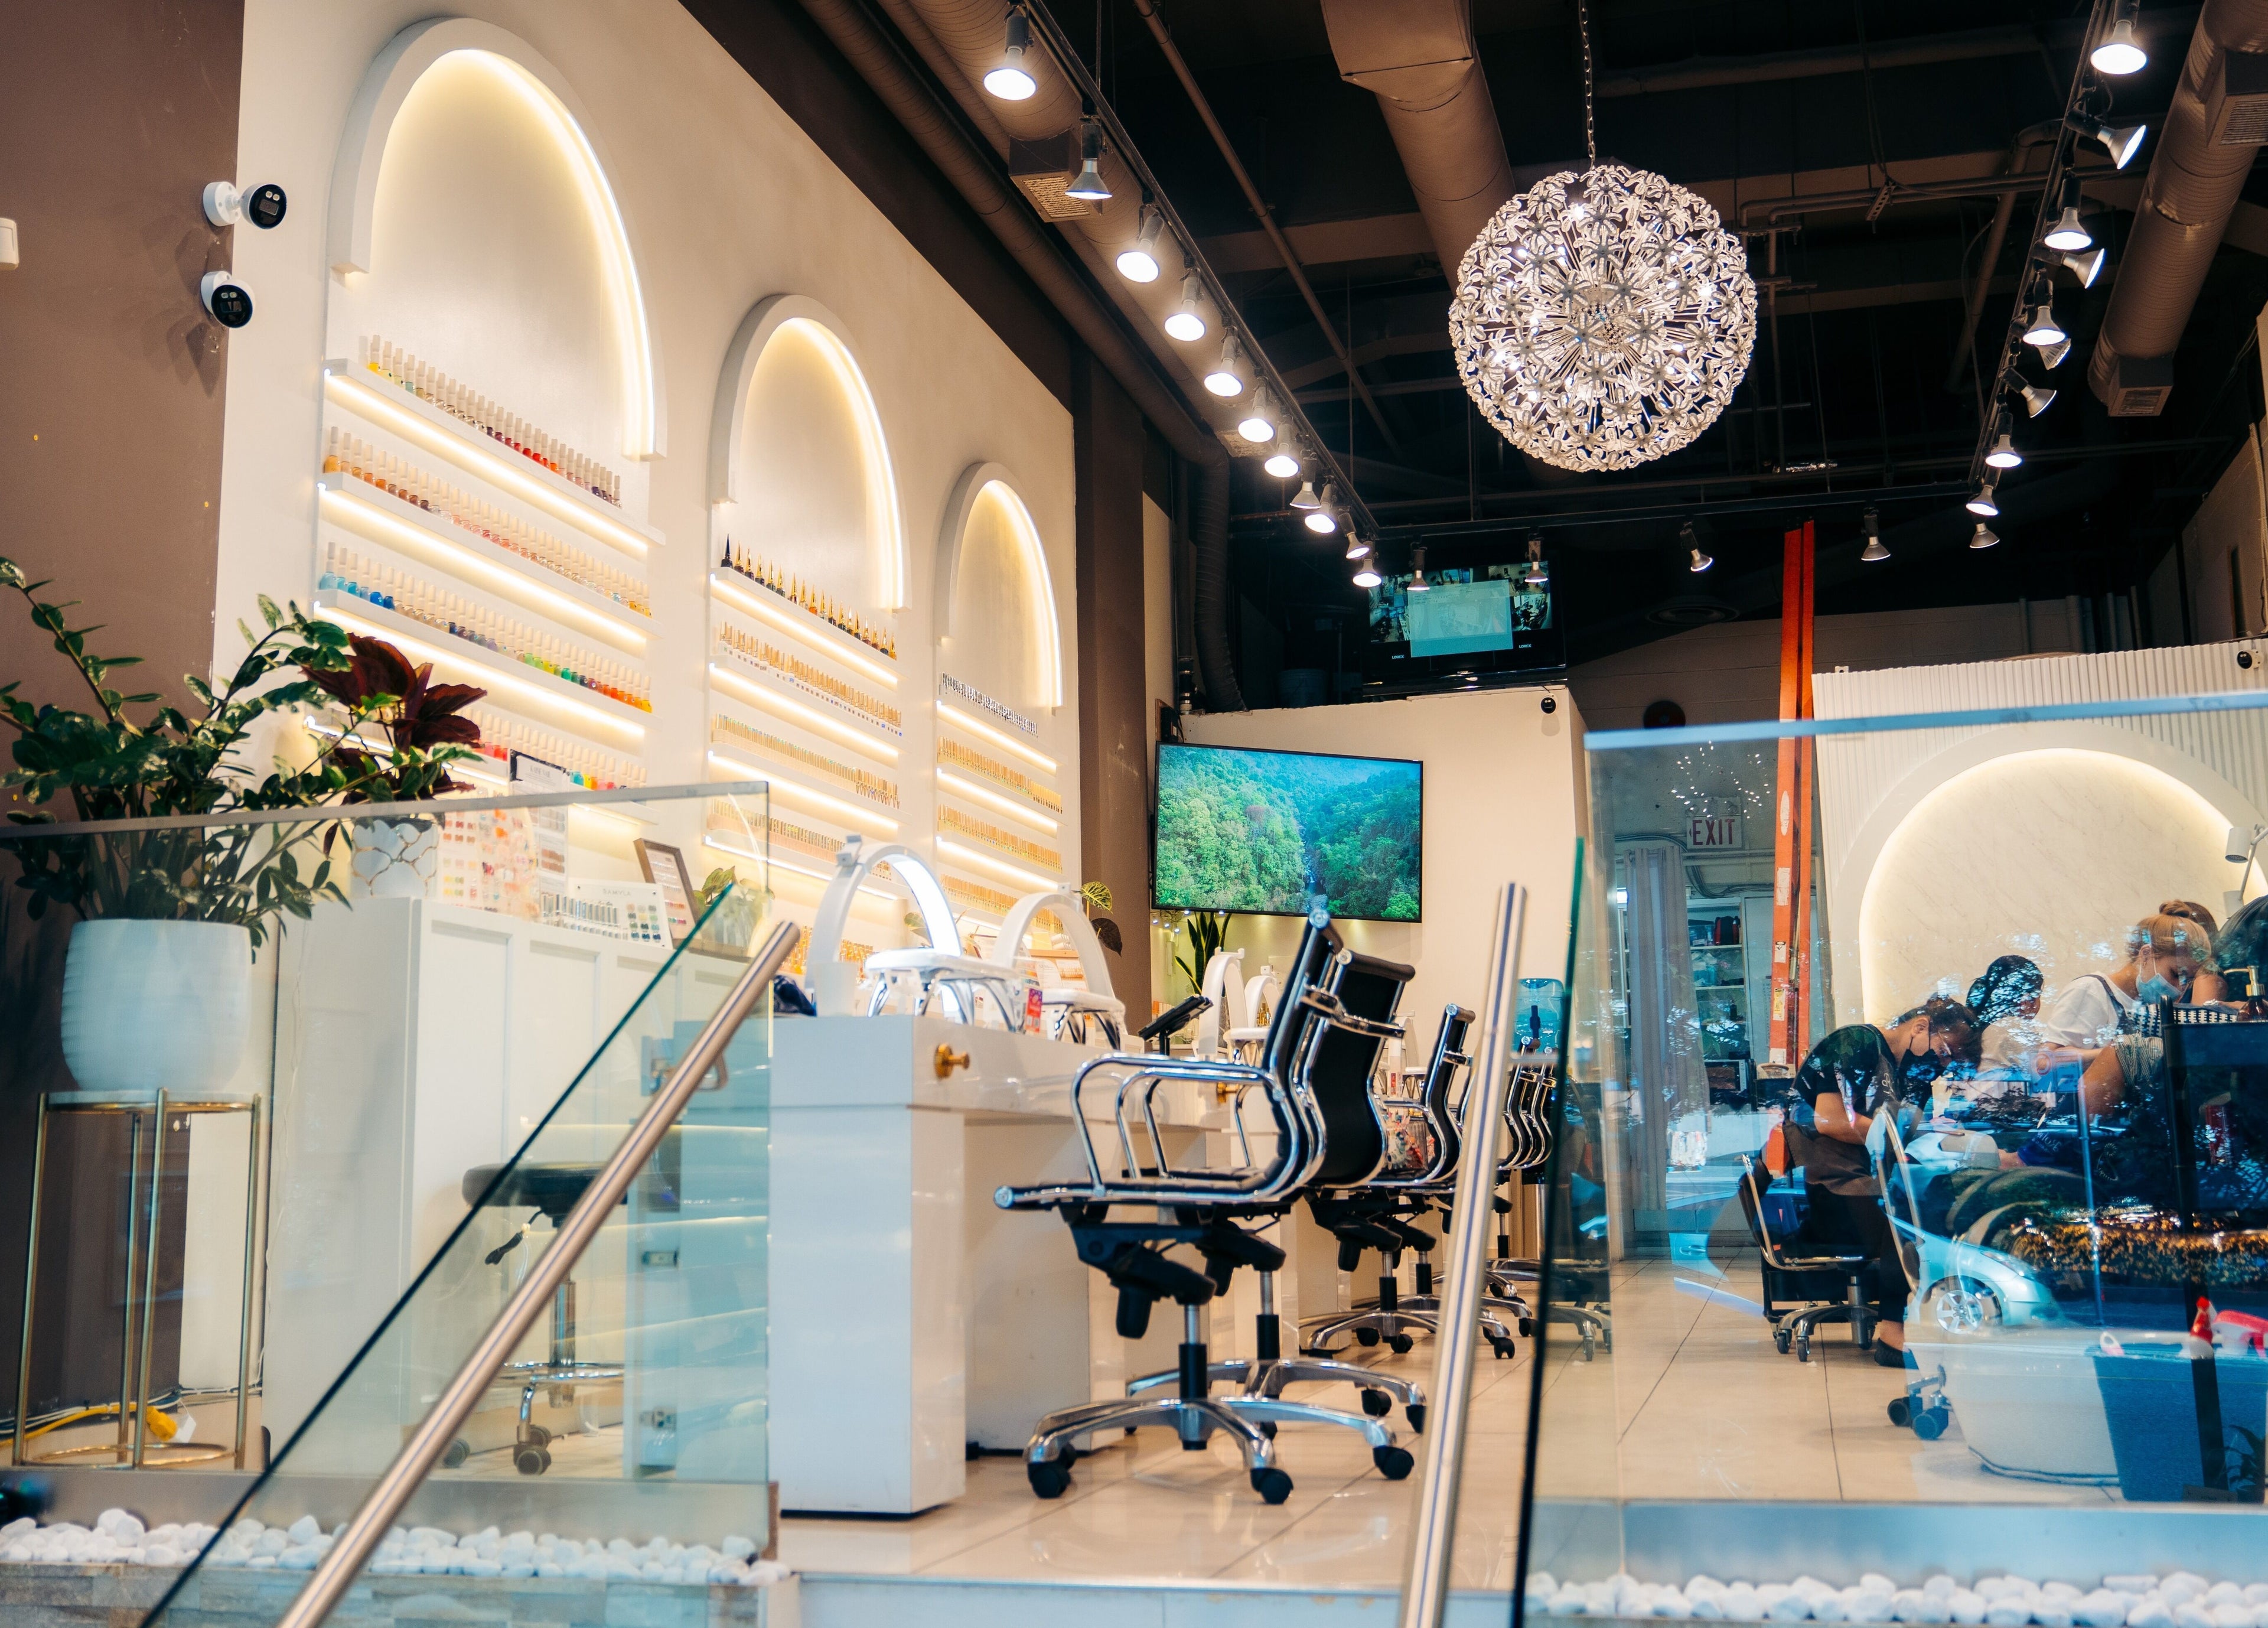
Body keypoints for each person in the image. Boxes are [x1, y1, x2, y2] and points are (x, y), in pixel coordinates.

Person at [1788, 996, 1979, 1364]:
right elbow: (1831, 1120)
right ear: (1921, 1026)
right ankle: (1894, 1334)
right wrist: (1903, 1133)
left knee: (1943, 1199)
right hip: (1831, 1188)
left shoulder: (1907, 1073)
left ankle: (1935, 1317)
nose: (1941, 1066)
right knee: (1910, 1213)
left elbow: (1904, 1134)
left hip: (1862, 1183)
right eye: (1943, 1052)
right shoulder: (1857, 1044)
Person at [2033, 913, 2208, 1050]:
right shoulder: (2090, 991)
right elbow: (2048, 1060)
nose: (2179, 988)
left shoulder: (2149, 1007)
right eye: (2176, 974)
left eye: (2188, 980)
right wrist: (2129, 1053)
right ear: (2146, 954)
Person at [1966, 955, 2044, 1078]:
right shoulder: (2014, 1027)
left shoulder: (1989, 1026)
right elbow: (2042, 1076)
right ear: (2026, 1001)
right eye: (2039, 995)